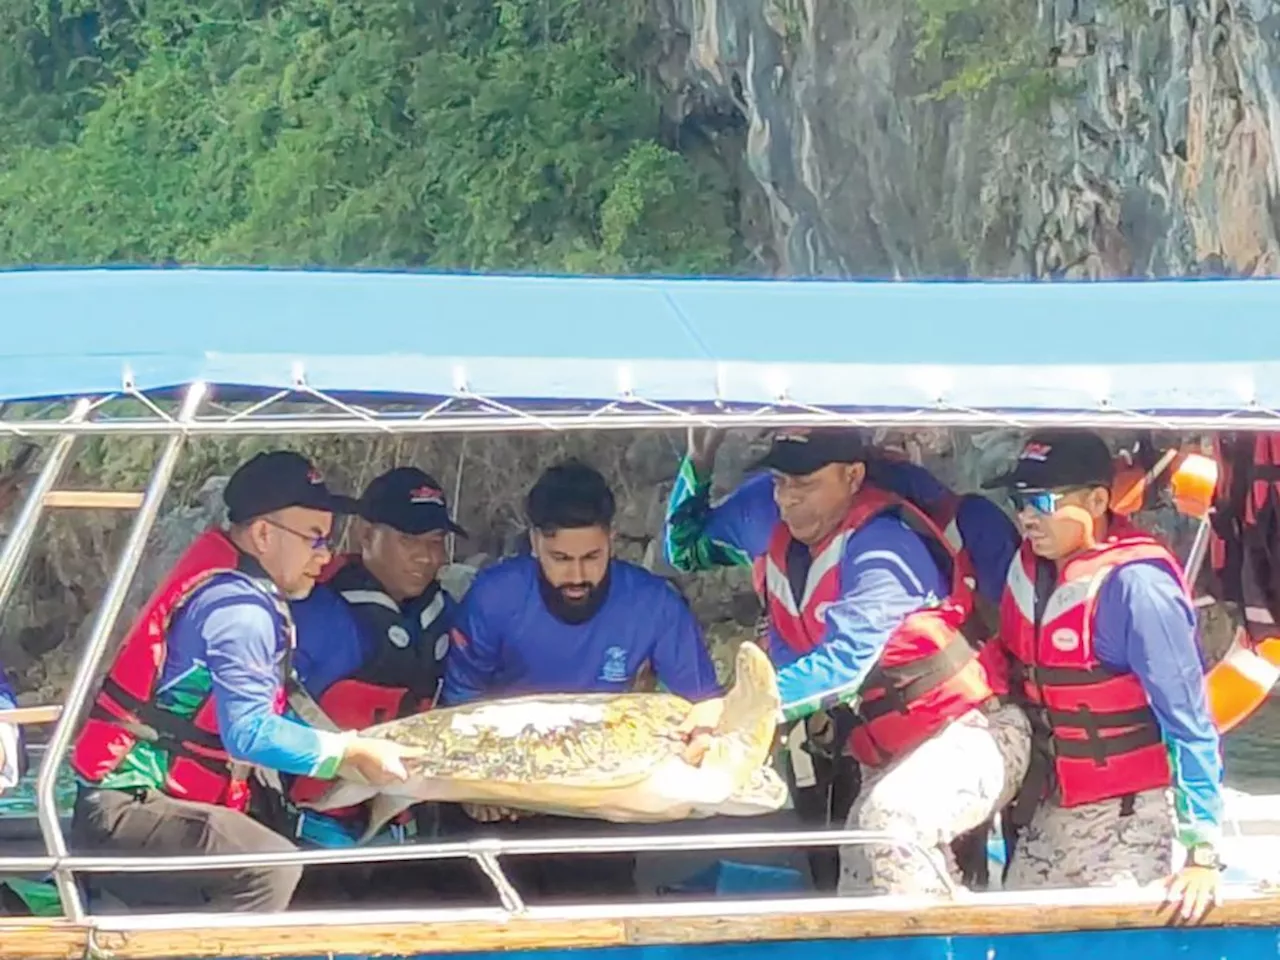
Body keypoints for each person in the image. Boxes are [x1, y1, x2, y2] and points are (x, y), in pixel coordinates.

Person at [665, 426, 1030, 896]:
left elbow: (844, 665)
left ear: (853, 475)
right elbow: (685, 548)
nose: (788, 499)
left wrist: (732, 710)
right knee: (856, 877)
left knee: (892, 827)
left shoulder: (884, 547)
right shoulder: (765, 510)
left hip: (971, 735)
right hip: (883, 752)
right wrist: (698, 460)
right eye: (780, 482)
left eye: (806, 483)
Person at [67, 451, 424, 913]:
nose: (326, 555)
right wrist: (350, 752)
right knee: (270, 867)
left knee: (298, 845)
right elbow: (249, 732)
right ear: (262, 534)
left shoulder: (237, 588)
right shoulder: (240, 612)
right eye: (315, 539)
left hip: (156, 804)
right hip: (125, 810)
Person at [441, 458, 722, 902]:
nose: (576, 576)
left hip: (599, 800)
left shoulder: (653, 605)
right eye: (560, 559)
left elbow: (704, 703)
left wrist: (698, 748)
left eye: (592, 557)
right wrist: (473, 786)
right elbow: (458, 704)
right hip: (501, 793)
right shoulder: (494, 596)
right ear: (534, 542)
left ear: (611, 539)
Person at [982, 430, 1224, 923]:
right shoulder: (1030, 569)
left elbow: (1190, 723)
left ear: (1097, 500)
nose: (1028, 517)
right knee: (1016, 940)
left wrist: (1202, 855)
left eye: (1044, 501)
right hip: (1046, 810)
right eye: (1019, 501)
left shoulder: (1139, 589)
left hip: (1124, 820)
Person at [284, 466, 488, 903]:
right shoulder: (318, 617)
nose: (426, 557)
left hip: (406, 827)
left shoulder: (444, 614)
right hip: (317, 832)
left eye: (436, 542)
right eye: (408, 540)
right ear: (365, 534)